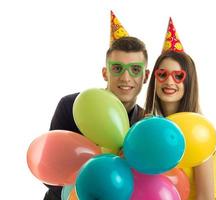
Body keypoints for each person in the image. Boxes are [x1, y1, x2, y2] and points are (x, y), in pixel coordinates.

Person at [43, 12, 149, 200]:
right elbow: (49, 168)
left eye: (135, 69)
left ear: (145, 76)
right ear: (105, 73)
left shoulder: (145, 124)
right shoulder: (71, 106)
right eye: (117, 68)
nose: (126, 78)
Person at [144, 18, 216, 200]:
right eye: (162, 74)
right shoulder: (150, 125)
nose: (169, 81)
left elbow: (205, 196)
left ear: (188, 82)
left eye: (178, 76)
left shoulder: (197, 130)